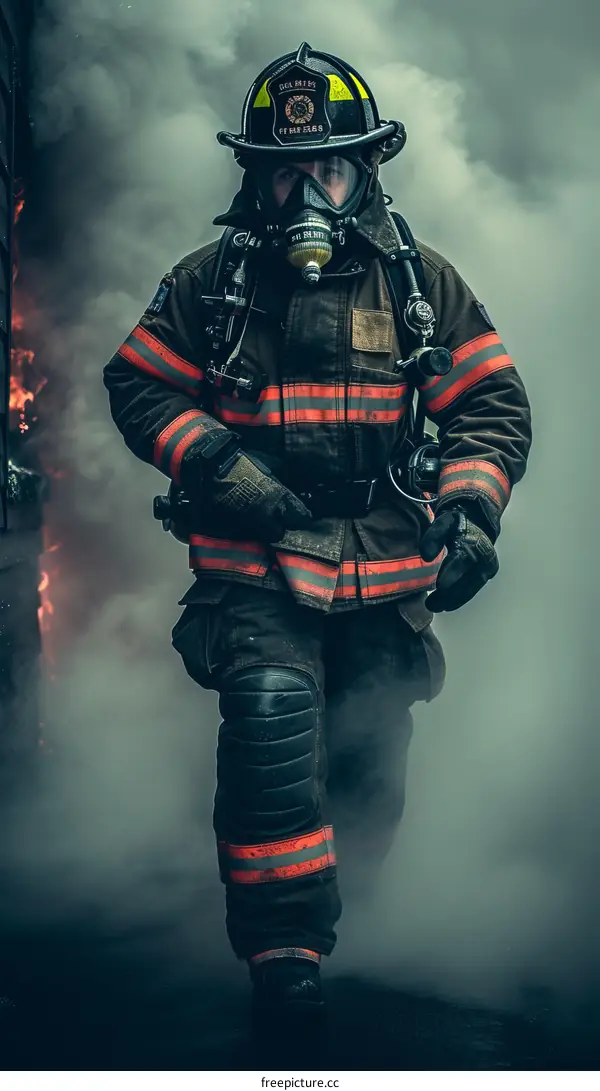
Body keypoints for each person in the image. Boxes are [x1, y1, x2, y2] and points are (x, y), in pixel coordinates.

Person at [103, 42, 532, 1022]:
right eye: (286, 169)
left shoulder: (419, 284)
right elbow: (136, 382)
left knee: (370, 760)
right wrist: (215, 461)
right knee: (270, 728)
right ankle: (285, 955)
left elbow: (490, 403)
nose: (307, 191)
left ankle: (362, 898)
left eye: (327, 167)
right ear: (256, 172)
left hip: (384, 568)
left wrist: (470, 512)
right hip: (254, 568)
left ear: (365, 169)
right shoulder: (212, 284)